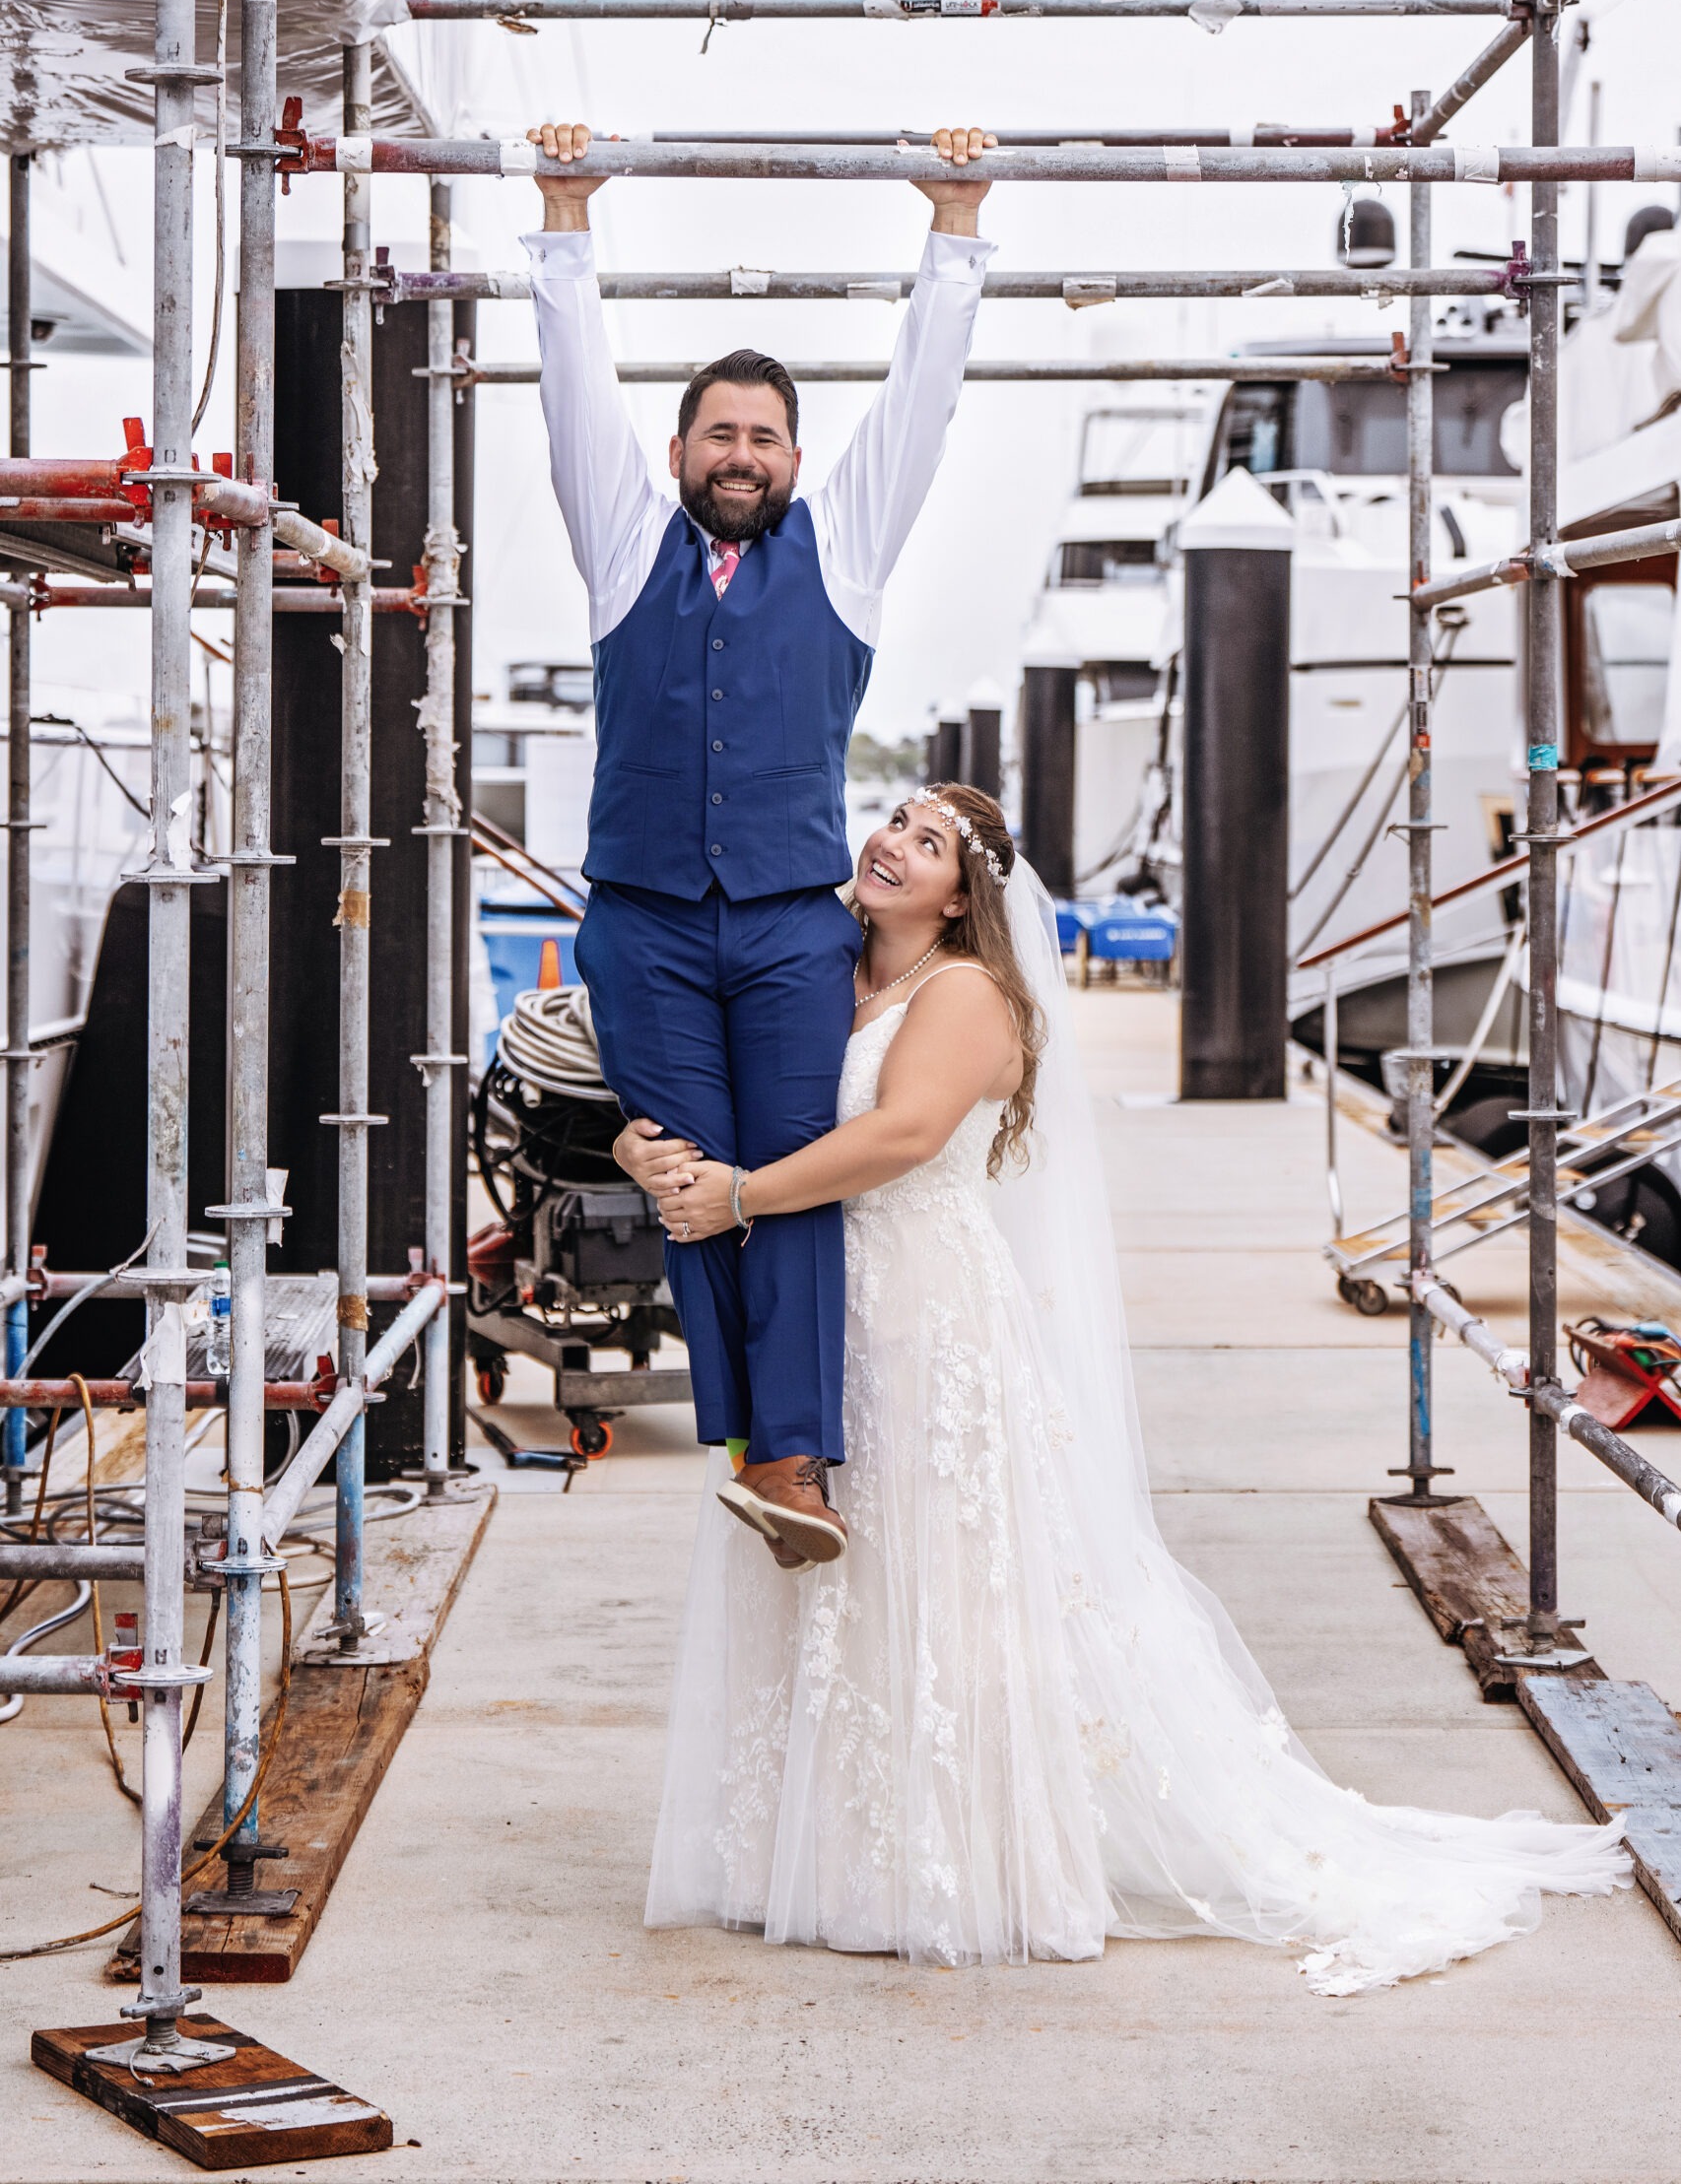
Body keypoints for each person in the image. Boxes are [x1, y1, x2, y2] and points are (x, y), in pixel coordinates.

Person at [613, 784, 1630, 1989]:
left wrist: (733, 1196)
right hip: (819, 1305)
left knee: (935, 1570)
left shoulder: (965, 994)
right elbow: (724, 1099)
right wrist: (647, 1142)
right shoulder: (825, 971)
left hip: (920, 1309)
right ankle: (822, 1850)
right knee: (838, 1569)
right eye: (891, 820)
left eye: (926, 843)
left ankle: (957, 1859)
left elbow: (900, 1136)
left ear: (962, 894)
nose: (890, 843)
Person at [524, 119, 996, 1561]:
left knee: (790, 1175)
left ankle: (793, 1459)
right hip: (647, 918)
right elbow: (568, 400)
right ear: (680, 453)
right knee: (684, 1175)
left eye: (763, 436)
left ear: (795, 456)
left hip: (794, 919)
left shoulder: (841, 553)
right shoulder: (623, 544)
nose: (739, 454)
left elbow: (918, 406)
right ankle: (748, 1442)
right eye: (717, 434)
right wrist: (563, 216)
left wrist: (955, 225)